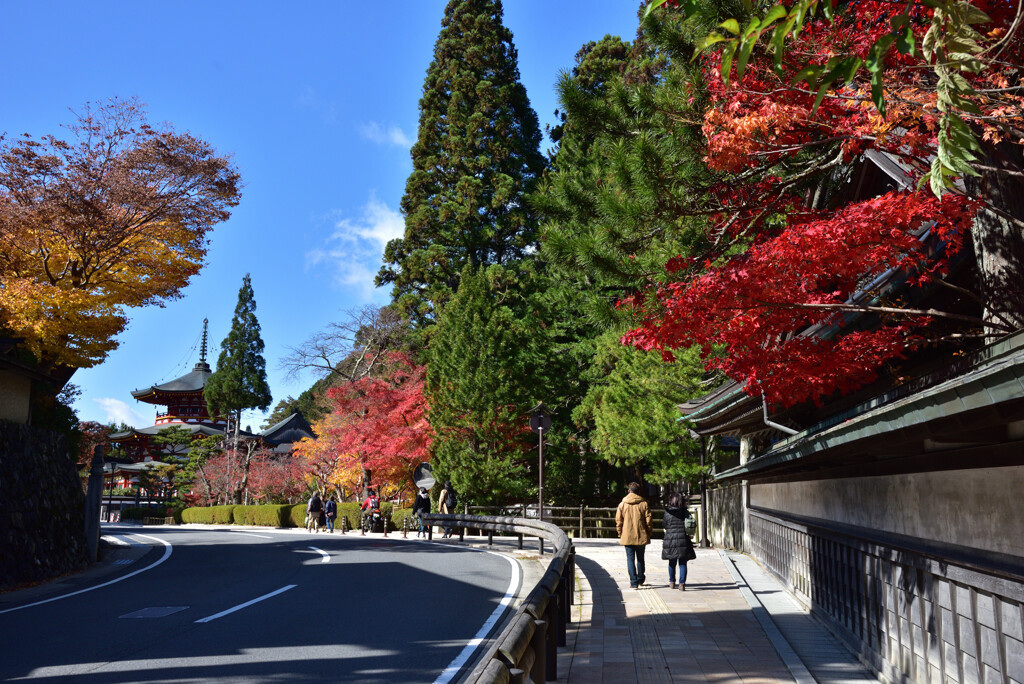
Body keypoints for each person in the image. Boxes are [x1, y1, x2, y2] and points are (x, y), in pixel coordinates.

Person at [615, 482, 653, 589]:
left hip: (627, 535)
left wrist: (620, 533)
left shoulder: (622, 504)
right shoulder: (644, 504)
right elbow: (649, 520)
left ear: (629, 491)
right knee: (640, 558)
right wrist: (649, 532)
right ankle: (640, 578)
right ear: (639, 492)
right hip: (641, 534)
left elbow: (619, 521)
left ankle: (633, 582)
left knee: (630, 559)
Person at [662, 492, 697, 589]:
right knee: (682, 563)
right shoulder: (685, 512)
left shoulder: (667, 512)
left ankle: (672, 582)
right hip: (683, 539)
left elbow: (664, 525)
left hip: (670, 539)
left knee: (671, 562)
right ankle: (682, 584)